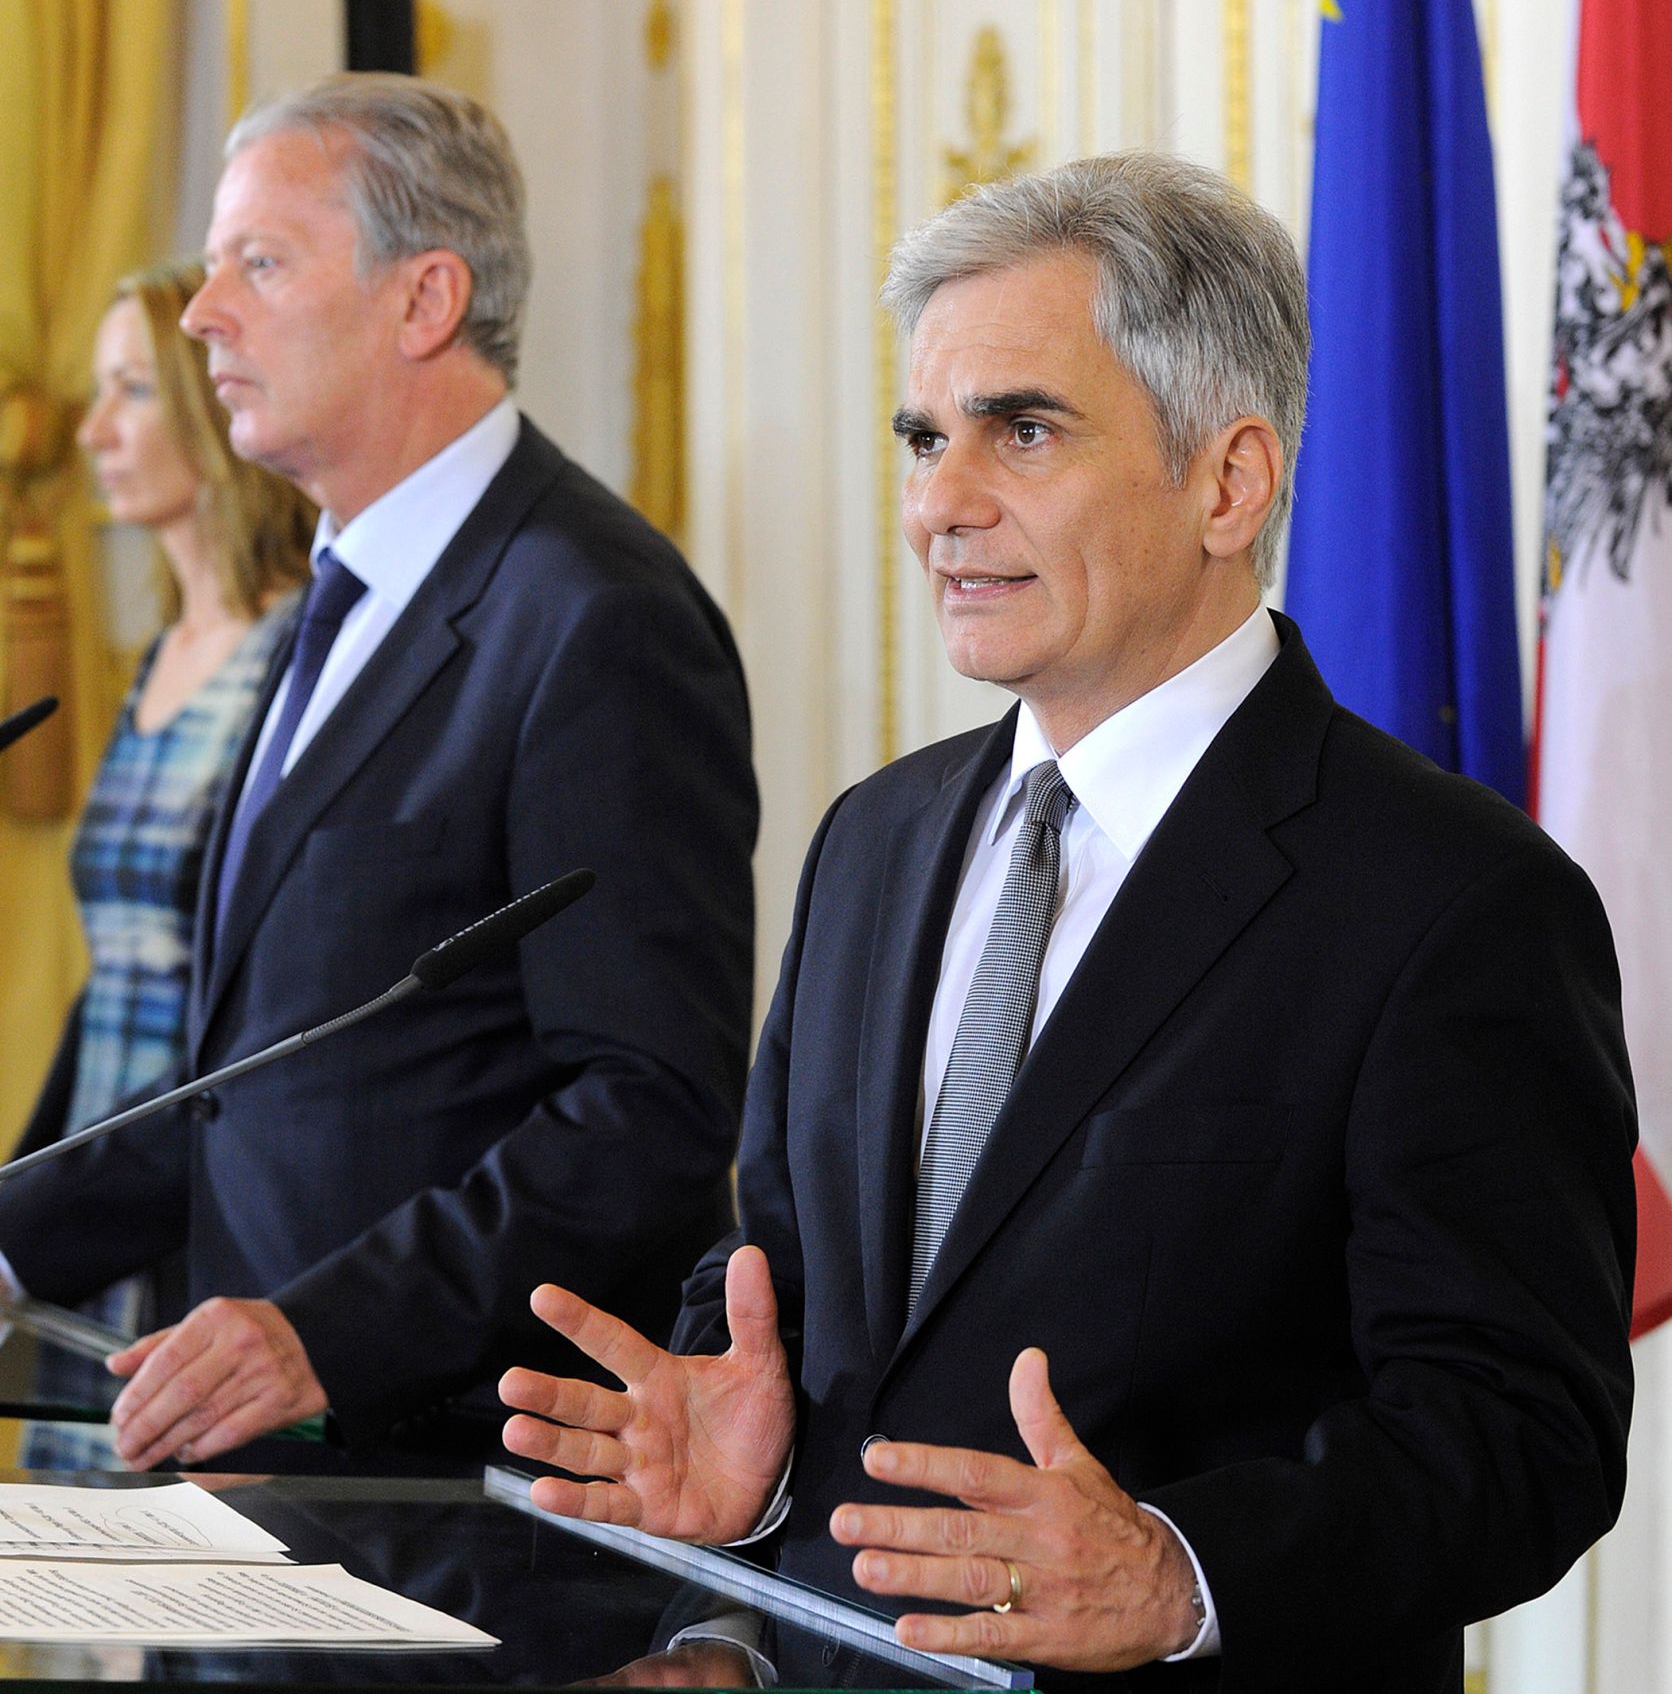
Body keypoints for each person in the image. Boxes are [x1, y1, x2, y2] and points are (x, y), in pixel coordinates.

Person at [498, 152, 1637, 1692]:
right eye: (923, 438)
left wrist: (1181, 1570)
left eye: (1021, 431)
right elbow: (772, 1281)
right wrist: (743, 1500)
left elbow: (1523, 1437)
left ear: (1230, 481)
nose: (941, 506)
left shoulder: (1456, 901)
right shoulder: (874, 841)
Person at [0, 74, 756, 1472]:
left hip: (454, 1487)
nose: (200, 311)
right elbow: (256, 1082)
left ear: (424, 302)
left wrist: (324, 1334)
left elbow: (647, 1109)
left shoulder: (596, 618)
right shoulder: (330, 599)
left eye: (259, 264)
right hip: (262, 1483)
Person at [12, 261, 315, 1468]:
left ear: (209, 411)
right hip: (91, 1183)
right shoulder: (153, 656)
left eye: (132, 391)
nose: (92, 430)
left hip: (204, 1195)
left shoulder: (296, 648)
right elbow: (113, 975)